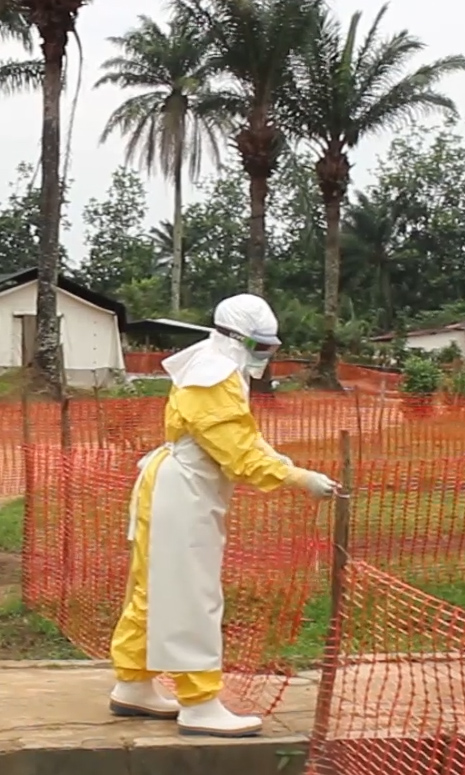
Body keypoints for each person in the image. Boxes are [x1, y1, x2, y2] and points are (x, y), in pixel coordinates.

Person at [106, 294, 337, 738]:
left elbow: (243, 435)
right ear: (237, 337)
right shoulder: (215, 374)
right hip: (184, 492)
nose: (265, 358)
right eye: (261, 347)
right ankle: (199, 703)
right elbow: (237, 449)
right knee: (193, 595)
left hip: (181, 487)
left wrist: (287, 465)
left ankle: (133, 683)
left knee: (154, 588)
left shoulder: (215, 366)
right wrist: (296, 477)